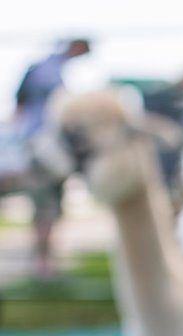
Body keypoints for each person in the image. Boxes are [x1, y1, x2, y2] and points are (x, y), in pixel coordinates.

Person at [14, 38, 91, 278]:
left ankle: (46, 257)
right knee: (45, 205)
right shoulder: (49, 69)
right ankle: (42, 260)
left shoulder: (51, 67)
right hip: (43, 147)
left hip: (46, 147)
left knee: (50, 206)